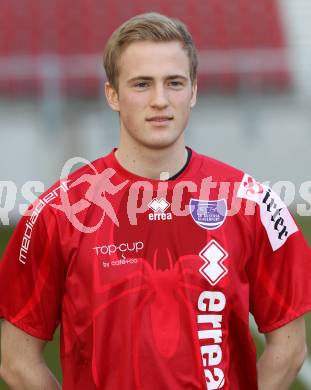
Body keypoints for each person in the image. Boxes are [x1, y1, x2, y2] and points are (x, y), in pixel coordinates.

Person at [0, 12, 311, 390]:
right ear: (113, 94)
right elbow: (15, 357)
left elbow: (291, 347)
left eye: (174, 83)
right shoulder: (59, 211)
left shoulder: (251, 203)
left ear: (193, 91)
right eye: (142, 84)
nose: (160, 100)